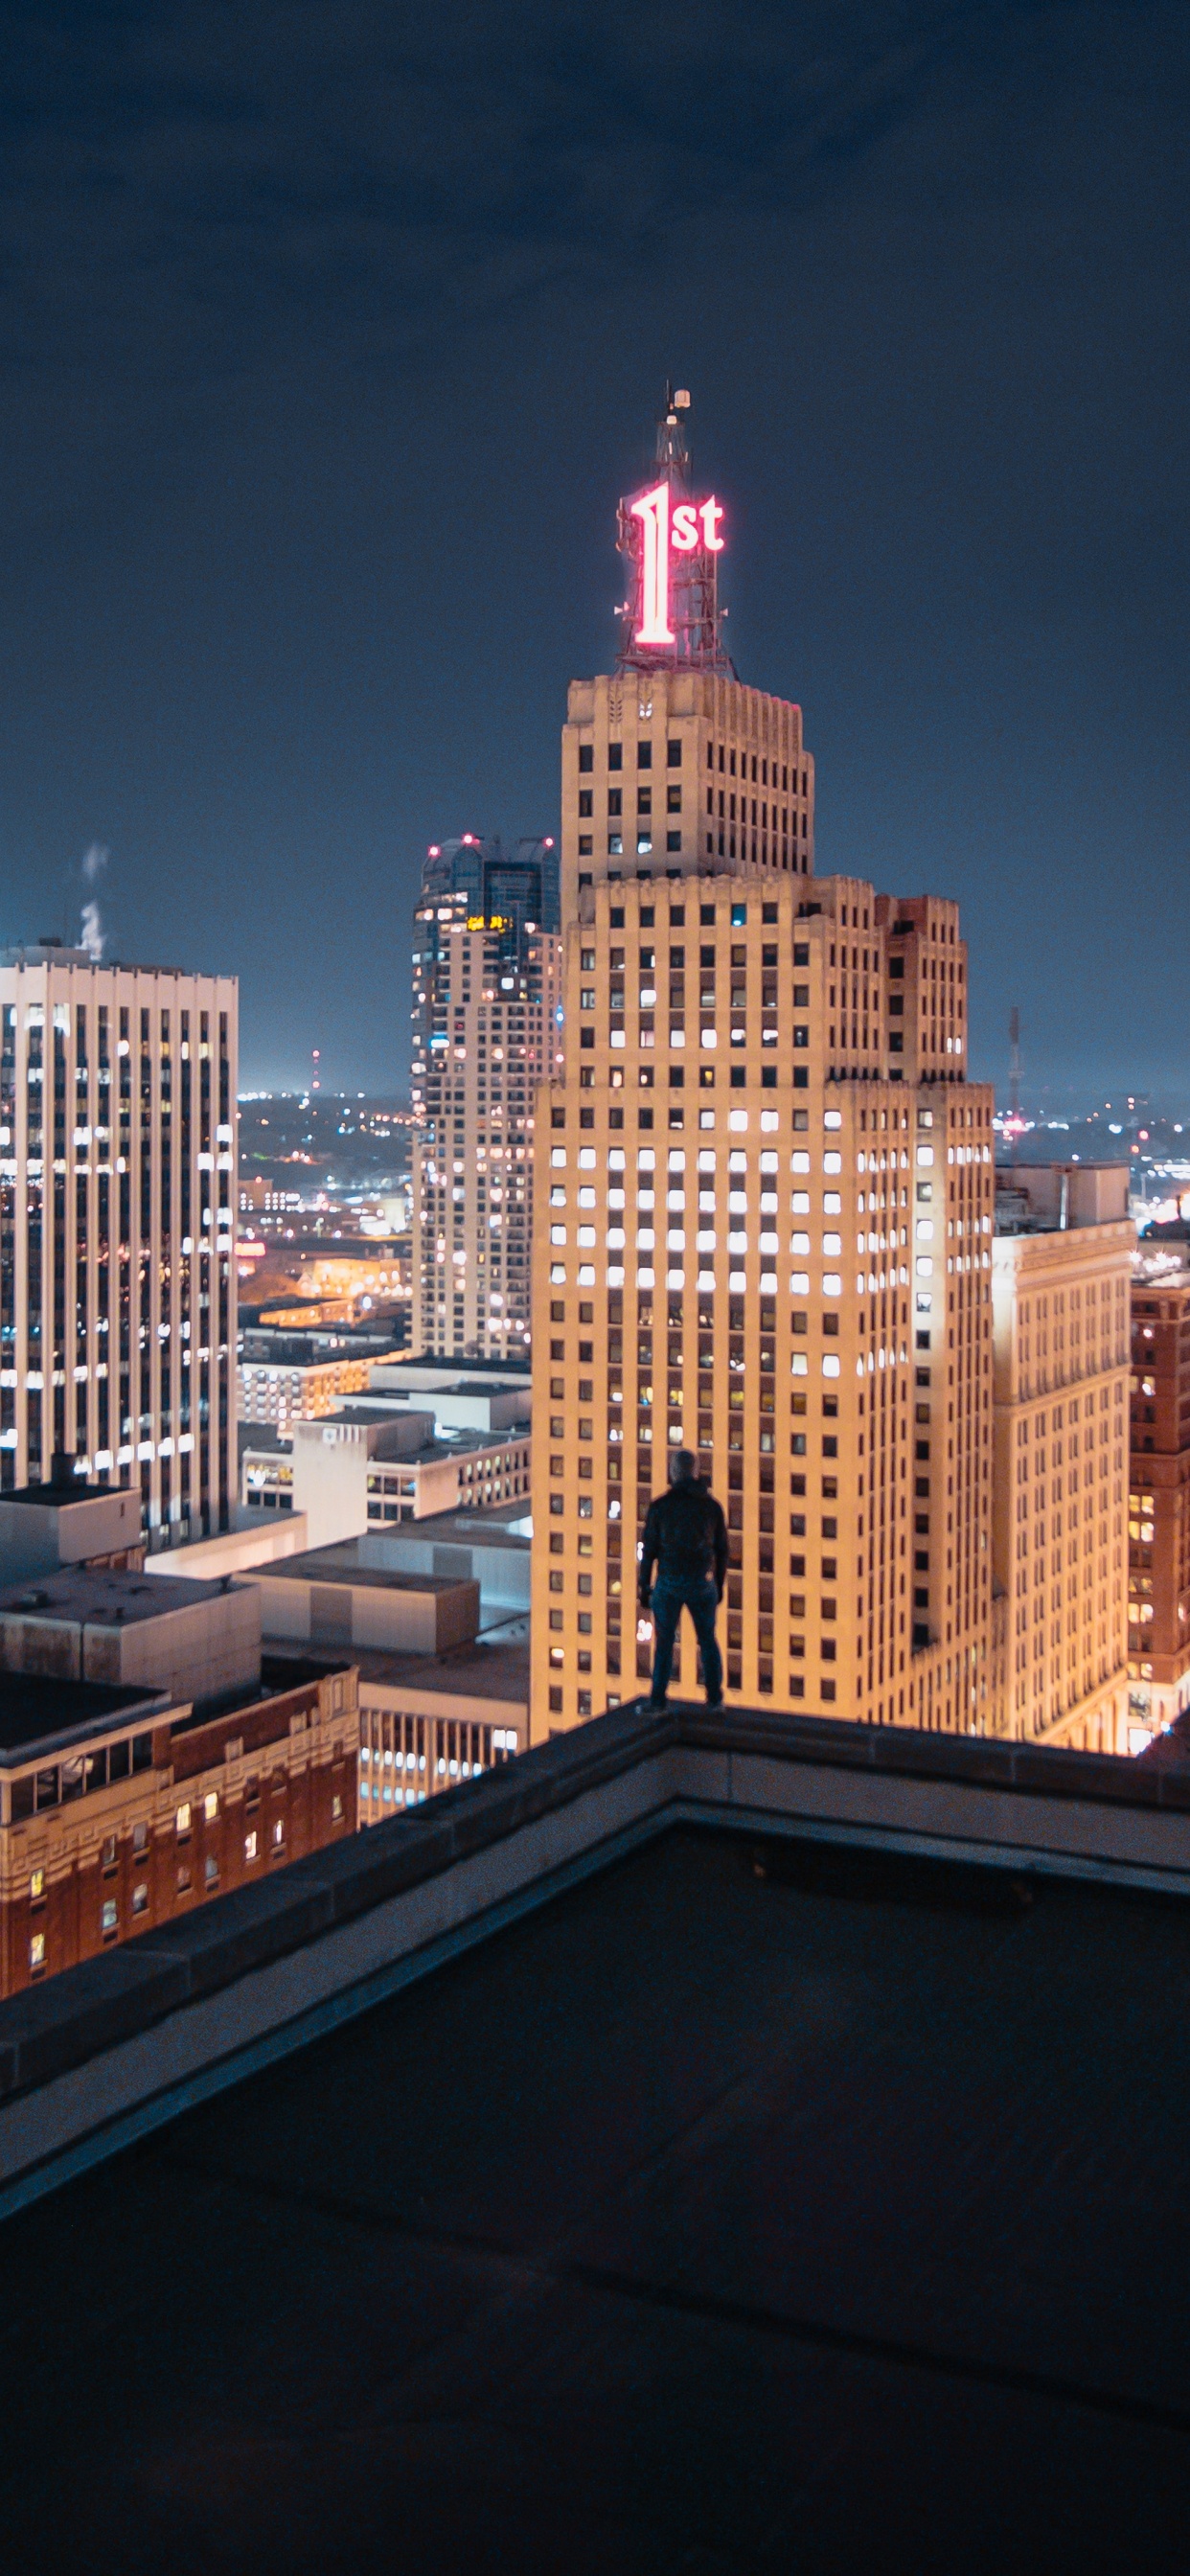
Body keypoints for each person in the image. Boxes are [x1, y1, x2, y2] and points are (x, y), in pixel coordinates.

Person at [638, 1449, 728, 1710]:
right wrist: (718, 1584)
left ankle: (657, 1700)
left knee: (664, 1644)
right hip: (702, 1582)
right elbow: (722, 1550)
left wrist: (644, 1586)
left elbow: (650, 1551)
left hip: (669, 1581)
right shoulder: (712, 1507)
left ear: (674, 1473)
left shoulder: (660, 1507)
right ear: (695, 1472)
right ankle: (715, 1700)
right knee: (707, 1640)